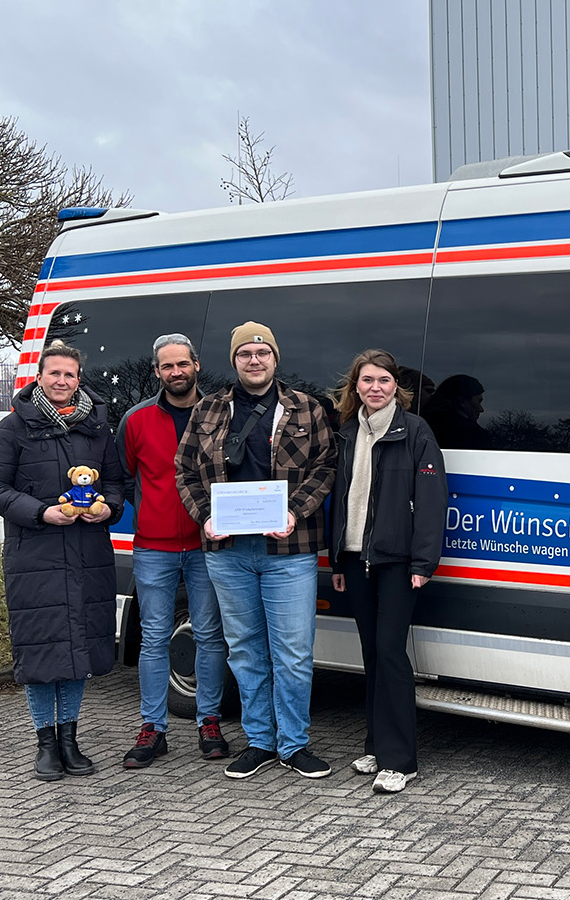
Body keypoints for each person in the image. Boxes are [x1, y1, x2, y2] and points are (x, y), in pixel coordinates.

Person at [177, 322, 337, 779]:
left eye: (262, 352)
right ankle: (261, 742)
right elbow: (183, 470)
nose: (254, 360)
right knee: (245, 650)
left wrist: (296, 511)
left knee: (292, 651)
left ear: (275, 358)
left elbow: (326, 465)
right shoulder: (207, 410)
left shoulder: (306, 407)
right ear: (234, 361)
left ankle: (294, 744)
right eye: (245, 353)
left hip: (290, 548)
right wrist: (204, 515)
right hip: (227, 551)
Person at [0, 339, 123, 782]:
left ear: (80, 380)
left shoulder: (98, 430)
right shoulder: (14, 427)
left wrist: (108, 509)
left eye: (70, 374)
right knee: (42, 649)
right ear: (39, 377)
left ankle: (71, 741)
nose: (62, 381)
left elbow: (117, 483)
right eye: (54, 373)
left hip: (87, 554)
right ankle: (45, 742)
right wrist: (41, 512)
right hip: (34, 555)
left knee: (77, 647)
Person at [328, 349, 447, 794]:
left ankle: (401, 760)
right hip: (356, 560)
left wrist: (423, 562)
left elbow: (433, 501)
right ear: (354, 386)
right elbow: (340, 500)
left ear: (397, 386)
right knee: (372, 655)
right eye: (366, 381)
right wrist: (337, 559)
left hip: (398, 563)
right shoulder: (346, 434)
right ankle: (377, 745)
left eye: (383, 380)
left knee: (391, 653)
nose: (374, 388)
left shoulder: (415, 432)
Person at [115, 333, 229, 768]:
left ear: (196, 364)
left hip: (207, 544)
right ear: (157, 370)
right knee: (154, 638)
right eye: (167, 366)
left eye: (182, 364)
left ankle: (209, 722)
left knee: (209, 635)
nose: (175, 372)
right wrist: (150, 508)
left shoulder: (220, 414)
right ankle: (153, 728)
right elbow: (123, 476)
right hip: (154, 547)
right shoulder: (137, 419)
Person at [423, 374, 491, 450]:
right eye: (478, 401)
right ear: (462, 401)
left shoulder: (422, 427)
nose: (481, 409)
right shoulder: (473, 435)